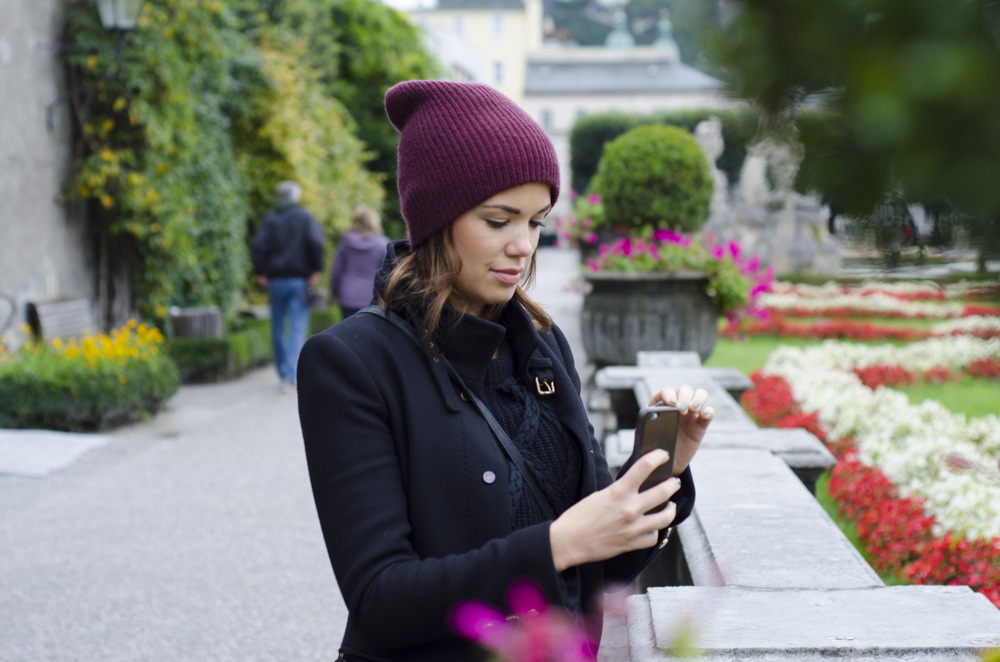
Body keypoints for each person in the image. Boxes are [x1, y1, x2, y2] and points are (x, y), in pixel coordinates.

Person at [296, 80, 713, 661]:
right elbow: (379, 600)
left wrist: (661, 469)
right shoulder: (351, 362)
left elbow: (600, 568)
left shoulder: (542, 345)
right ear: (435, 218)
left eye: (537, 222)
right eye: (498, 221)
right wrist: (556, 545)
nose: (523, 246)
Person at [251, 180, 325, 391]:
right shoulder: (304, 217)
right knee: (296, 326)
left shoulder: (270, 218)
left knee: (277, 326)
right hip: (298, 280)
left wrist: (262, 271)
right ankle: (291, 374)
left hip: (275, 280)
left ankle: (284, 372)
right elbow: (316, 242)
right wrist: (315, 269)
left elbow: (258, 246)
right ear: (295, 197)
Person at [329, 204, 390, 318]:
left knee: (347, 333)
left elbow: (337, 269)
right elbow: (387, 274)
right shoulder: (383, 244)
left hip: (347, 294)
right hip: (372, 297)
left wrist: (334, 292)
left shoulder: (346, 242)